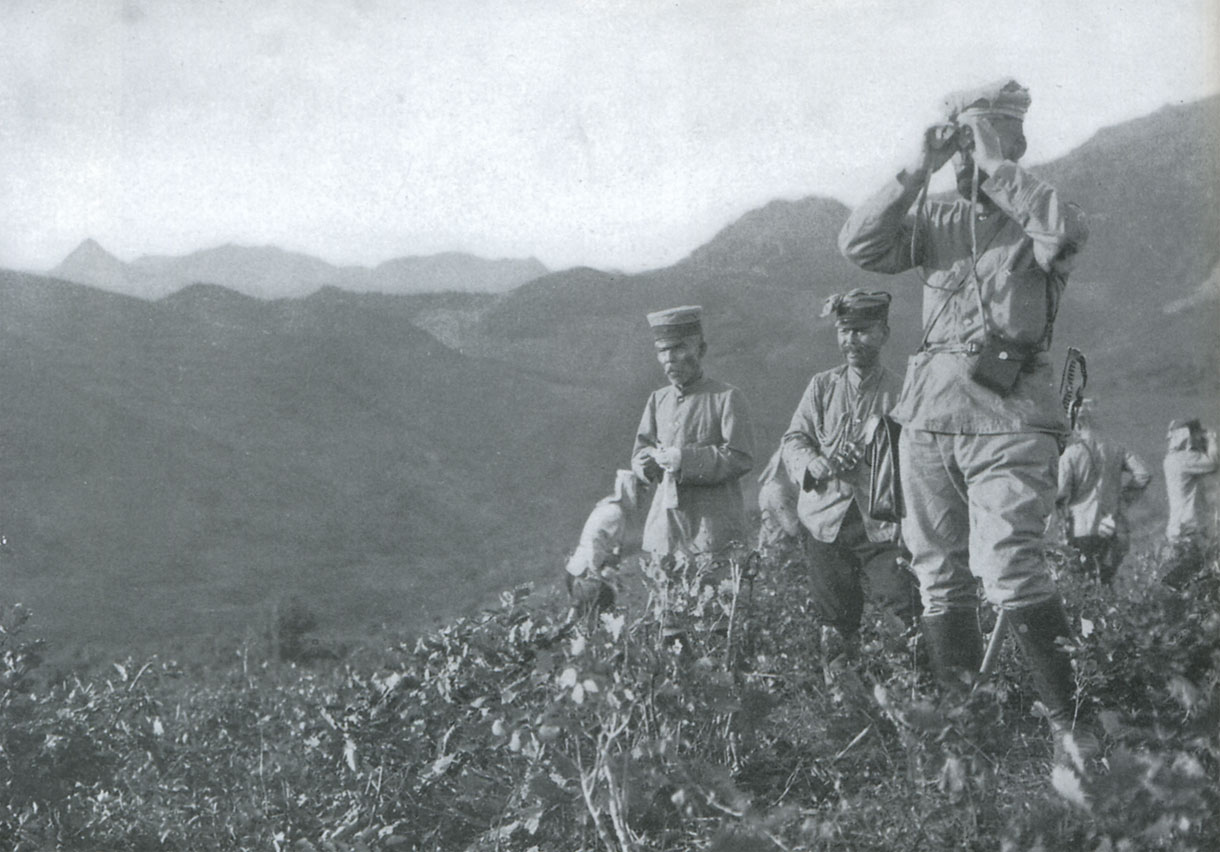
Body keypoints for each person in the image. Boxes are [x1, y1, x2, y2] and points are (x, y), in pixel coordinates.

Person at [838, 79, 1092, 748]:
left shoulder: (1040, 215)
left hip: (1010, 423)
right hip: (927, 419)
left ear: (1017, 144)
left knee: (1011, 568)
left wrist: (996, 164)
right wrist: (917, 167)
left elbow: (1062, 233)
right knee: (939, 580)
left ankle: (1077, 733)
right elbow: (860, 246)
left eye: (980, 142)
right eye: (961, 146)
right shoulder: (938, 221)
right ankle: (965, 739)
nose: (965, 161)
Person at [780, 289, 920, 673]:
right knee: (835, 625)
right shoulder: (822, 386)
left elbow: (918, 461)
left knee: (904, 611)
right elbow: (794, 439)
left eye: (862, 330)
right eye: (844, 331)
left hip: (882, 526)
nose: (851, 340)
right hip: (824, 523)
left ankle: (908, 700)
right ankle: (842, 709)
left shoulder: (902, 392)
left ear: (884, 333)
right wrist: (816, 464)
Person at [631, 306, 755, 559]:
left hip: (713, 533)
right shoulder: (658, 400)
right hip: (666, 531)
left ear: (701, 350)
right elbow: (640, 451)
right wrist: (646, 463)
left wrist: (682, 460)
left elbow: (741, 457)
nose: (669, 359)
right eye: (662, 351)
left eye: (678, 348)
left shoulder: (726, 398)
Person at [1056, 399, 1152, 584]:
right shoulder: (1116, 448)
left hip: (1081, 528)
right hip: (1112, 524)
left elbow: (1061, 493)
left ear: (1077, 423)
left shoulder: (1071, 454)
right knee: (1106, 580)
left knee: (1083, 582)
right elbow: (1144, 473)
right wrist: (1122, 500)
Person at [1161, 418, 1218, 589]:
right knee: (1197, 563)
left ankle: (1169, 595)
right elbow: (1214, 464)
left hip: (1178, 525)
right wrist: (1212, 440)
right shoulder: (1185, 459)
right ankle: (1169, 591)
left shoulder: (1172, 459)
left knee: (1190, 567)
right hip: (1189, 525)